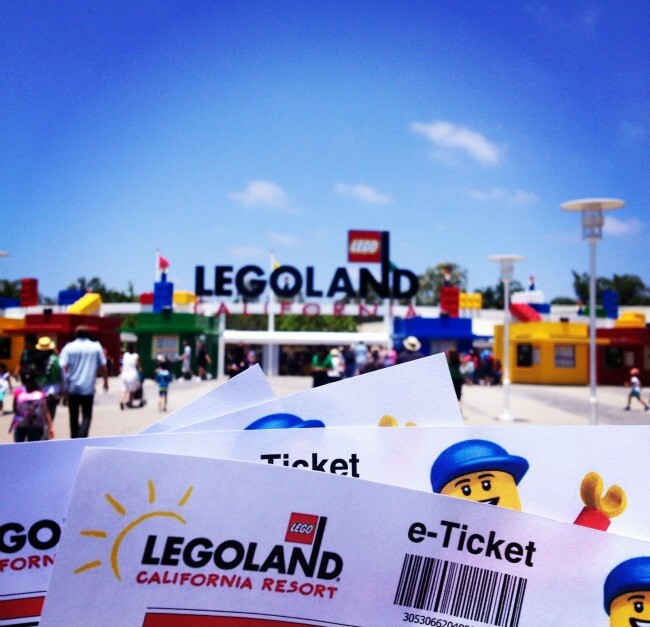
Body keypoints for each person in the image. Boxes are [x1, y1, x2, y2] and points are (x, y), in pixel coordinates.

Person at [58, 325, 108, 438]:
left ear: (76, 334)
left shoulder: (69, 347)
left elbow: (63, 366)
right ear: (88, 334)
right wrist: (106, 382)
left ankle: (74, 438)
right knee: (87, 415)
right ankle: (82, 437)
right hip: (88, 387)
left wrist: (63, 385)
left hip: (72, 387)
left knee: (73, 415)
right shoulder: (96, 346)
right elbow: (103, 366)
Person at [11, 369, 54, 442]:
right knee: (34, 447)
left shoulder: (18, 391)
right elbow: (46, 411)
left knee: (18, 447)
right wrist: (51, 427)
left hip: (20, 425)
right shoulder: (40, 392)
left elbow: (14, 409)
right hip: (36, 426)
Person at [34, 336, 63, 422]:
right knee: (50, 416)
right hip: (52, 392)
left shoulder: (35, 360)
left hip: (38, 391)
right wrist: (63, 390)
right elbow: (62, 376)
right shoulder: (57, 360)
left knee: (38, 418)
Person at [119, 342, 142, 409]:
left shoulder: (125, 355)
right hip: (133, 375)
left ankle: (122, 401)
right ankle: (130, 403)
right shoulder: (136, 356)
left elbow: (123, 363)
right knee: (132, 390)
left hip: (124, 374)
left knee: (124, 389)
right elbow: (138, 366)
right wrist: (140, 371)